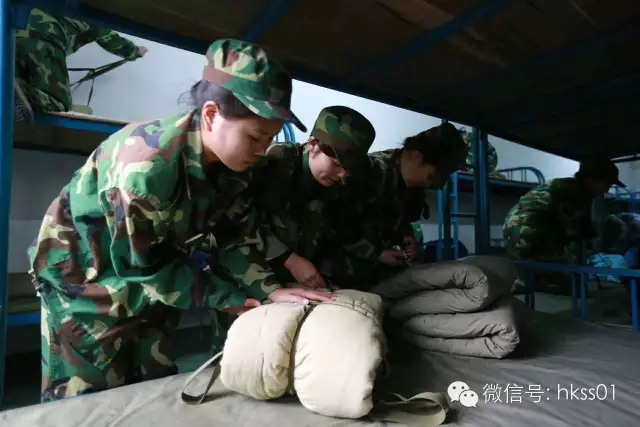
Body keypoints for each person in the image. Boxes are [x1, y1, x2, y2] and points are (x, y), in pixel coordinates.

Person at [27, 38, 332, 402]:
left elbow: (234, 234)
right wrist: (230, 297)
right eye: (254, 136)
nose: (261, 150)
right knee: (86, 403)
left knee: (153, 388)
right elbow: (143, 269)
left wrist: (267, 289)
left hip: (154, 276)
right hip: (85, 284)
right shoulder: (146, 167)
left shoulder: (234, 166)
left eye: (269, 139)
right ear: (211, 115)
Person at [215, 105, 376, 292]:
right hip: (243, 275)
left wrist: (326, 277)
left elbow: (331, 237)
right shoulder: (269, 163)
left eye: (349, 169)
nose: (341, 174)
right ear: (313, 145)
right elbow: (232, 223)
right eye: (336, 164)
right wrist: (288, 259)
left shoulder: (338, 187)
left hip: (294, 284)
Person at [321, 122, 468, 289]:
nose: (429, 184)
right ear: (417, 156)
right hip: (340, 274)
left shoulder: (413, 189)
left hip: (379, 274)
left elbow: (402, 222)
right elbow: (336, 225)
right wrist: (376, 254)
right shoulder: (368, 172)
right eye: (430, 176)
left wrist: (409, 240)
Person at [503, 158, 626, 293]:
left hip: (517, 234)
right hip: (529, 235)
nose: (606, 190)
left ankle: (528, 279)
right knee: (573, 285)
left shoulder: (566, 186)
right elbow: (574, 233)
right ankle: (531, 282)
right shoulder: (575, 193)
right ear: (592, 179)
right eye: (607, 184)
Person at [14, 8, 147, 116]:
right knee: (58, 105)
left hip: (11, 35)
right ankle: (16, 89)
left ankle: (11, 87)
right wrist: (135, 51)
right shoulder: (89, 11)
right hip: (45, 38)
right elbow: (109, 38)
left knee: (17, 86)